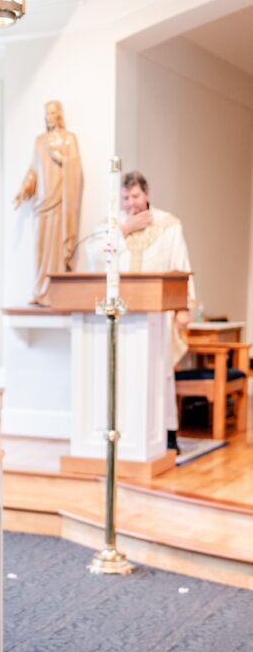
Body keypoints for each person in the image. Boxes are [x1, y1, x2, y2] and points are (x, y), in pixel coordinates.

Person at [119, 171, 195, 451]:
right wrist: (124, 230)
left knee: (160, 373)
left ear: (147, 195)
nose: (131, 203)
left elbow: (180, 265)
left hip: (158, 315)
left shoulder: (169, 224)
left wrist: (183, 309)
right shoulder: (113, 226)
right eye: (125, 198)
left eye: (136, 196)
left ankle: (166, 432)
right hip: (124, 317)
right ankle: (129, 431)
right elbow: (96, 256)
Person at [13, 100, 83, 305]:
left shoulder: (69, 140)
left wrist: (61, 157)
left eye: (52, 113)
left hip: (60, 200)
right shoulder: (39, 141)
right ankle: (40, 290)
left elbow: (75, 168)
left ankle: (57, 291)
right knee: (40, 247)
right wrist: (24, 189)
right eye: (46, 113)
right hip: (42, 202)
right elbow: (34, 170)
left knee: (58, 246)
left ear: (59, 115)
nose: (49, 117)